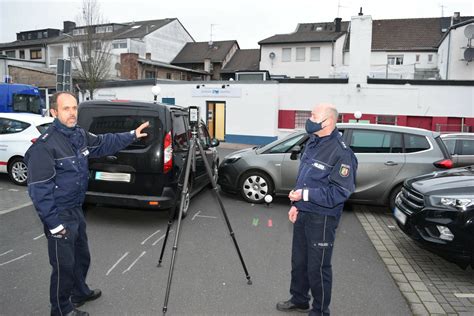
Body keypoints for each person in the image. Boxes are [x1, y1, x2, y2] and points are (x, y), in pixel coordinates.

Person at [25, 92, 149, 316]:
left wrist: (132, 134)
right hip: (59, 215)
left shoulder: (79, 135)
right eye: (66, 109)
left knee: (81, 256)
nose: (72, 113)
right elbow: (39, 190)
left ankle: (79, 292)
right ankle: (61, 310)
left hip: (76, 209)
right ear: (54, 112)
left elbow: (103, 143)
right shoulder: (45, 147)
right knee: (63, 266)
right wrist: (54, 225)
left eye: (74, 108)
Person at [276, 103, 357, 316]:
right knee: (299, 262)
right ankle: (300, 299)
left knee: (318, 268)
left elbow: (340, 193)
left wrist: (304, 196)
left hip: (323, 218)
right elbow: (305, 178)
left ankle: (320, 311)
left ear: (328, 121)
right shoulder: (313, 142)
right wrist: (296, 204)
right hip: (304, 213)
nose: (309, 119)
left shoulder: (342, 153)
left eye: (313, 115)